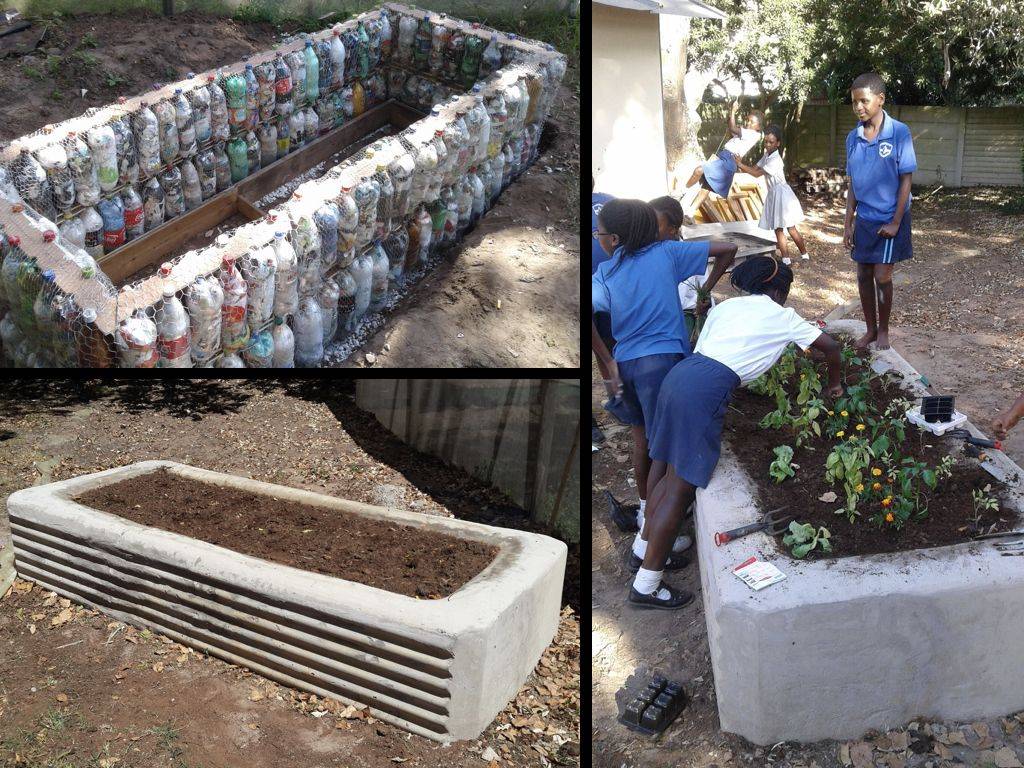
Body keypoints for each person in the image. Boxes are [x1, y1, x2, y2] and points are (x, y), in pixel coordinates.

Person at [628, 255, 844, 609]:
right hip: (705, 391)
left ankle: (643, 550)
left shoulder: (725, 309)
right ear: (777, 290)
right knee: (679, 491)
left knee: (663, 471)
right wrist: (833, 385)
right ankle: (646, 585)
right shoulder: (782, 316)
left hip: (681, 376)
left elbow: (718, 349)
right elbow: (831, 347)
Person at [592, 199, 737, 558]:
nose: (598, 239)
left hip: (627, 365)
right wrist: (707, 289)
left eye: (600, 233)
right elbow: (729, 248)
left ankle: (646, 513)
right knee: (666, 452)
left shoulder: (606, 274)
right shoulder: (667, 254)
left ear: (614, 239)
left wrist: (608, 364)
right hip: (663, 363)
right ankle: (654, 537)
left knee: (644, 441)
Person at [844, 72, 916, 352]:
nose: (859, 107)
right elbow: (853, 183)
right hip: (865, 219)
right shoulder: (853, 138)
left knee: (882, 276)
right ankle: (870, 330)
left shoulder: (899, 132)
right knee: (862, 275)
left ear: (880, 99)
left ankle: (884, 330)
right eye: (854, 102)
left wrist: (897, 222)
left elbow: (906, 179)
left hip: (889, 218)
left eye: (864, 101)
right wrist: (848, 223)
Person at [731, 125, 808, 264]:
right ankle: (786, 260)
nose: (767, 144)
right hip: (773, 193)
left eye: (771, 142)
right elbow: (754, 168)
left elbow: (755, 174)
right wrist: (739, 165)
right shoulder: (767, 155)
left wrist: (741, 164)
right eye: (766, 141)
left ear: (778, 143)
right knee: (778, 229)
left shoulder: (775, 160)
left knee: (790, 228)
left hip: (782, 194)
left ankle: (804, 255)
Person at [683, 100, 764, 218]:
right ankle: (689, 213)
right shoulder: (747, 133)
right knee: (707, 186)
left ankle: (683, 191)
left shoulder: (753, 134)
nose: (748, 124)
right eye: (748, 121)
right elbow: (732, 130)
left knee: (699, 170)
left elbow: (732, 127)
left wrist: (733, 111)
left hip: (729, 161)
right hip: (724, 158)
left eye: (752, 122)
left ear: (758, 126)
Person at [592, 177, 616, 449]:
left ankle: (616, 398)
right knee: (612, 346)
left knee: (604, 350)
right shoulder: (611, 199)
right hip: (618, 284)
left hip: (601, 288)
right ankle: (620, 398)